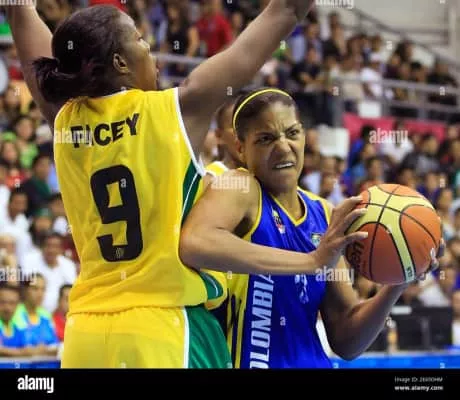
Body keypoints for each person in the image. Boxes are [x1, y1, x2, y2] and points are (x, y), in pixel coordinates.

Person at [5, 1, 322, 368]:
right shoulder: (178, 110)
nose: (150, 48)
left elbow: (19, 12)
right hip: (166, 327)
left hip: (85, 334)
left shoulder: (64, 118)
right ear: (120, 62)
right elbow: (285, 11)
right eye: (139, 39)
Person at [180, 87, 443, 368]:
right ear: (241, 148)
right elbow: (195, 241)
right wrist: (312, 261)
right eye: (266, 139)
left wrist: (398, 281)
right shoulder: (241, 187)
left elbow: (346, 340)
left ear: (304, 136)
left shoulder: (325, 213)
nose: (283, 147)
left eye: (292, 133)